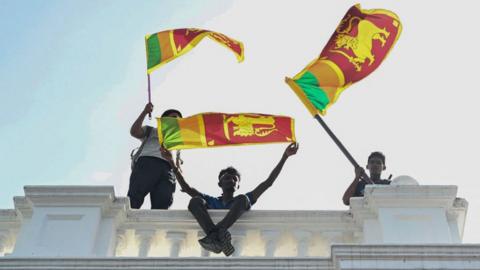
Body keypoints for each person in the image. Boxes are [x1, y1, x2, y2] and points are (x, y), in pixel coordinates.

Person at [161, 142, 299, 256]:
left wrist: (284, 157)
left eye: (234, 179)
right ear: (219, 183)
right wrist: (171, 162)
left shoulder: (241, 200)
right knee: (195, 201)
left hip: (236, 217)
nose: (231, 180)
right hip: (217, 225)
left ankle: (216, 235)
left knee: (244, 199)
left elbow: (267, 183)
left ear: (238, 185)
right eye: (227, 177)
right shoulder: (211, 200)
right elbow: (187, 188)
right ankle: (217, 236)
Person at [128, 103, 182, 209]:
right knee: (134, 199)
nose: (177, 121)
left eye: (179, 120)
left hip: (168, 170)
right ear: (164, 120)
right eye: (173, 118)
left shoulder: (179, 140)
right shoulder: (151, 131)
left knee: (163, 205)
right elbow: (134, 132)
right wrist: (145, 112)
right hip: (147, 163)